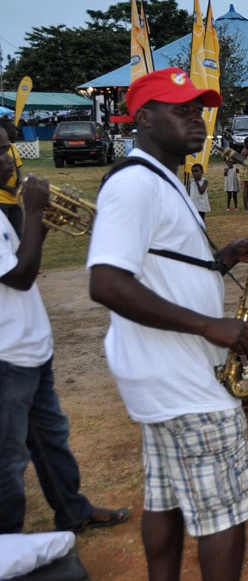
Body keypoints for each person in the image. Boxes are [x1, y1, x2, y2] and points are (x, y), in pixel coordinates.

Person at [87, 68, 248, 580]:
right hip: (181, 376)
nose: (197, 120)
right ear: (143, 117)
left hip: (162, 372)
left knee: (163, 499)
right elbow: (108, 284)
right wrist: (210, 327)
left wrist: (223, 257)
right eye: (180, 110)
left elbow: (157, 267)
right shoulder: (135, 184)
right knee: (222, 516)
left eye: (199, 110)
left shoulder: (165, 178)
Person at [0, 131, 129, 540]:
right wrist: (35, 212)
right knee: (9, 458)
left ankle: (72, 510)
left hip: (29, 347)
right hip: (6, 356)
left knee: (51, 439)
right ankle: (9, 546)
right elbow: (21, 277)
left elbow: (22, 258)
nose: (6, 159)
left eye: (5, 147)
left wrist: (44, 219)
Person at [0, 116, 24, 236]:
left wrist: (20, 182)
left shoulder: (13, 148)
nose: (16, 132)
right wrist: (11, 189)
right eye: (13, 129)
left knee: (17, 234)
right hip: (2, 199)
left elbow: (17, 168)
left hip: (15, 199)